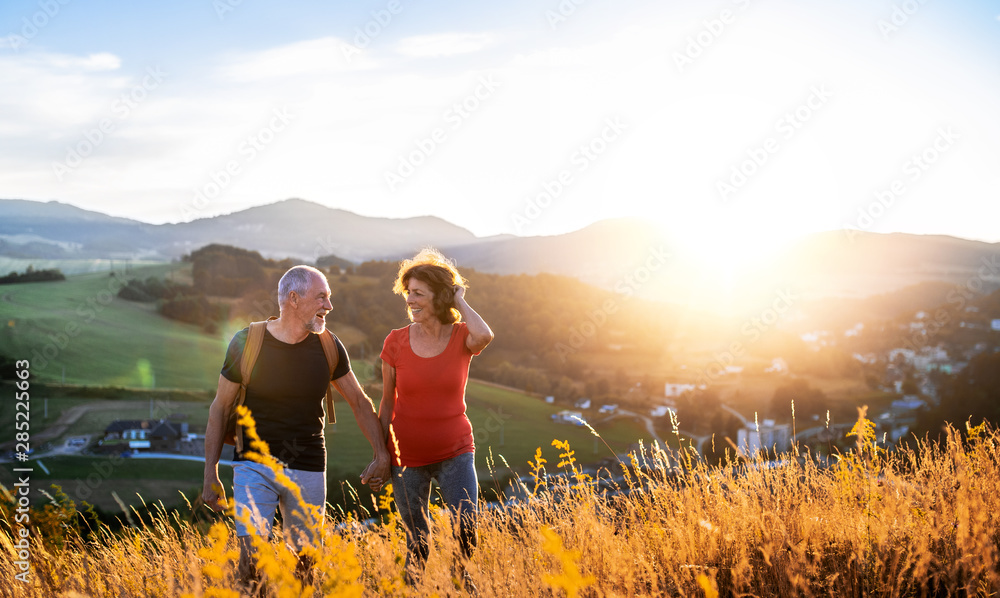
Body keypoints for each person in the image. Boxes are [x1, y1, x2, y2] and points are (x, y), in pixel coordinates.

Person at [202, 265, 390, 586]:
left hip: (308, 464)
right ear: (293, 298)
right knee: (251, 566)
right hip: (253, 465)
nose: (328, 306)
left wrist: (381, 453)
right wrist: (211, 474)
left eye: (328, 298)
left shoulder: (328, 346)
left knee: (306, 566)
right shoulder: (247, 342)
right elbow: (219, 408)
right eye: (321, 297)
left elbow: (359, 401)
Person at [377, 249, 494, 584]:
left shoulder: (461, 336)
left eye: (418, 294)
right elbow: (386, 404)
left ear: (439, 297)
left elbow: (484, 336)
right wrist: (381, 453)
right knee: (418, 541)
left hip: (455, 451)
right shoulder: (395, 341)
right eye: (408, 293)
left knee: (467, 525)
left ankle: (460, 583)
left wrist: (460, 298)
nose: (410, 300)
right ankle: (412, 589)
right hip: (406, 457)